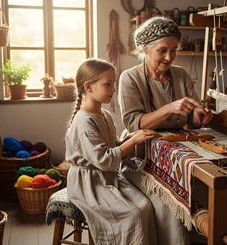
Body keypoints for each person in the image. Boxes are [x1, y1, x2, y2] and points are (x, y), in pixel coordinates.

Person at [118, 16, 213, 244]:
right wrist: (170, 108)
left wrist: (200, 115)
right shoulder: (129, 78)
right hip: (140, 160)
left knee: (202, 193)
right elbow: (134, 123)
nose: (169, 57)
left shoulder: (180, 75)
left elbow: (192, 116)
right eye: (162, 51)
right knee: (172, 203)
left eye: (173, 50)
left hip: (177, 156)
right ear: (145, 49)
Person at [65, 58, 160, 245]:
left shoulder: (105, 115)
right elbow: (103, 159)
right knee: (132, 214)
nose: (114, 89)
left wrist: (130, 138)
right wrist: (133, 141)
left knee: (145, 205)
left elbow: (111, 145)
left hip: (106, 176)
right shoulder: (84, 120)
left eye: (113, 83)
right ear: (89, 87)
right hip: (88, 183)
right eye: (108, 84)